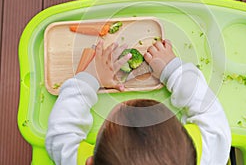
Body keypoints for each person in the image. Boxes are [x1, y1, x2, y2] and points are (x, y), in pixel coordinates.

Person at [46, 39, 231, 165]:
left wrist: (90, 77)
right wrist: (172, 69)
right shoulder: (207, 154)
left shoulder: (79, 160)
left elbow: (61, 133)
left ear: (90, 162)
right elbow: (209, 112)